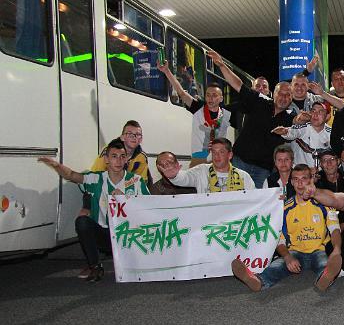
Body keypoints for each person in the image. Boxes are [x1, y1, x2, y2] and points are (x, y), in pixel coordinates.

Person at [39, 139, 150, 282]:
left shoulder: (136, 181)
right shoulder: (95, 178)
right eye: (114, 156)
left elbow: (148, 208)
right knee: (82, 222)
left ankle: (138, 260)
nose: (118, 160)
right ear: (106, 159)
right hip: (105, 235)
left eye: (122, 156)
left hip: (129, 235)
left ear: (126, 159)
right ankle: (95, 266)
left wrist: (126, 199)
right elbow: (71, 175)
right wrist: (56, 165)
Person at [231, 164, 343, 293]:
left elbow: (335, 229)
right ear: (292, 182)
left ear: (311, 180)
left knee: (325, 265)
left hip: (319, 250)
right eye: (296, 179)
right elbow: (279, 240)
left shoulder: (324, 203)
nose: (300, 183)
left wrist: (336, 250)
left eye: (304, 178)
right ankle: (258, 281)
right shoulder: (285, 209)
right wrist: (287, 257)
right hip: (295, 252)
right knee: (276, 266)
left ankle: (323, 280)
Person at [207, 51, 296, 188]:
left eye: (287, 95)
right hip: (240, 162)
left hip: (263, 170)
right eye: (280, 93)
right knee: (233, 195)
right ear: (274, 94)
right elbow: (239, 85)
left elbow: (300, 123)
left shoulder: (291, 116)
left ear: (291, 98)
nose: (283, 98)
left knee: (257, 200)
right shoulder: (260, 101)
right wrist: (222, 65)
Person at [157, 60, 232, 167]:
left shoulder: (226, 115)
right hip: (199, 158)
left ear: (221, 98)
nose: (210, 98)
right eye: (208, 95)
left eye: (214, 95)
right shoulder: (199, 107)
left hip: (219, 159)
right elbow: (182, 93)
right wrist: (166, 71)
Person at [160, 138, 255, 193]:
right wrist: (174, 176)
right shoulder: (201, 171)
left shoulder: (244, 176)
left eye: (221, 152)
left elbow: (253, 200)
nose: (217, 156)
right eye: (214, 152)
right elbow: (184, 178)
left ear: (230, 155)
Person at [90, 120, 151, 186]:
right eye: (130, 134)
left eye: (138, 134)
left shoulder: (142, 157)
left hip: (126, 189)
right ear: (122, 137)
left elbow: (140, 182)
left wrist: (123, 187)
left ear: (141, 139)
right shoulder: (109, 151)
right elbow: (95, 176)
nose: (134, 137)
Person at [271, 101, 332, 168]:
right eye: (313, 111)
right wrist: (284, 132)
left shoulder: (331, 133)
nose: (315, 115)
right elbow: (292, 132)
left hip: (321, 171)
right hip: (298, 170)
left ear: (327, 116)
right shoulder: (303, 126)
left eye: (320, 112)